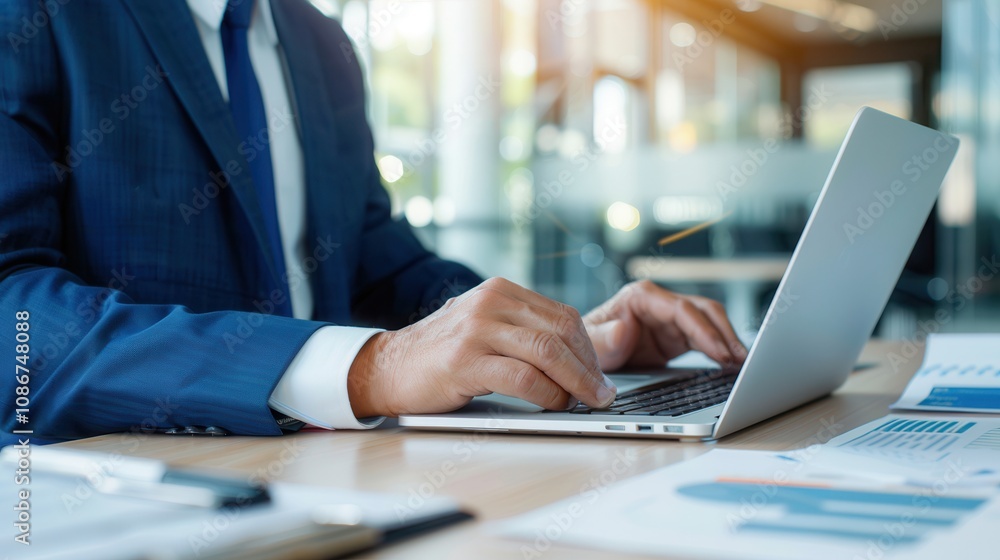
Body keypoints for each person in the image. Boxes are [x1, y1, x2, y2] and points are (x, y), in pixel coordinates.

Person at [0, 0, 745, 446]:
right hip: (100, 500)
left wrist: (559, 338)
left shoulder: (320, 42)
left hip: (326, 479)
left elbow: (383, 267)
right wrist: (369, 368)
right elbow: (13, 317)